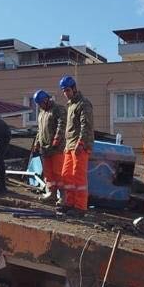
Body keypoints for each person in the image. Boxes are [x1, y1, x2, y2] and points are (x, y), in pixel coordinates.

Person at [59, 75, 94, 213]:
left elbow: (86, 125)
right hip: (70, 145)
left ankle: (80, 207)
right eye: (64, 91)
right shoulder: (70, 105)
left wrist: (81, 142)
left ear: (74, 88)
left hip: (80, 145)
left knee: (78, 177)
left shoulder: (83, 104)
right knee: (67, 175)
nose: (65, 93)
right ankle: (70, 203)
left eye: (67, 90)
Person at [32, 89, 67, 203]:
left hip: (57, 149)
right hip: (45, 149)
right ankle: (52, 193)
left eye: (40, 103)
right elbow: (40, 130)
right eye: (38, 104)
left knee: (58, 173)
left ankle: (63, 196)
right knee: (48, 173)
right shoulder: (41, 114)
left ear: (46, 100)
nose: (40, 106)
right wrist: (37, 143)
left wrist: (57, 138)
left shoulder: (58, 109)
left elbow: (62, 125)